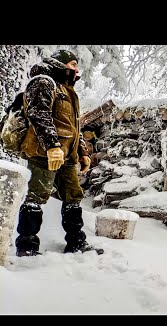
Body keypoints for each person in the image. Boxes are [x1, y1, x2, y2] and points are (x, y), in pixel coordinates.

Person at [15, 49, 104, 257]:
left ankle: (76, 243)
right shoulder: (43, 82)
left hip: (67, 156)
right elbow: (39, 115)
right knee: (36, 196)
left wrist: (82, 152)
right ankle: (26, 246)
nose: (76, 69)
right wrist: (52, 146)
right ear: (61, 64)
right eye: (73, 64)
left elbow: (74, 127)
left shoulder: (68, 91)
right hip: (44, 154)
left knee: (73, 196)